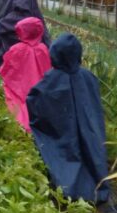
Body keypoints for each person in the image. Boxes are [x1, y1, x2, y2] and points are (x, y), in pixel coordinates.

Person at [27, 33, 110, 204]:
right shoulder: (88, 77)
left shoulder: (49, 82)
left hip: (62, 135)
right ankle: (96, 184)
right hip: (90, 132)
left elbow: (35, 105)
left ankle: (71, 188)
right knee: (91, 151)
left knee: (65, 154)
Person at [0, 17, 51, 131]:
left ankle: (24, 122)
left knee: (18, 101)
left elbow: (5, 70)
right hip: (40, 89)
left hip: (20, 87)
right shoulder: (43, 49)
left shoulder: (17, 49)